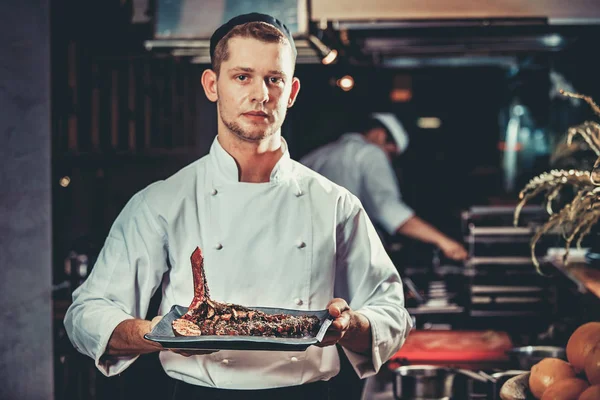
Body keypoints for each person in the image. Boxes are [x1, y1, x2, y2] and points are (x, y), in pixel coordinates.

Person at [64, 12, 412, 400]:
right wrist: (158, 334)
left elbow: (393, 314)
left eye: (274, 79)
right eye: (242, 76)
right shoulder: (162, 201)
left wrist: (352, 326)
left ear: (292, 92)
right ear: (213, 84)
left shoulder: (335, 203)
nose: (260, 94)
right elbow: (86, 316)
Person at [301, 113, 468, 261]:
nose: (388, 160)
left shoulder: (315, 157)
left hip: (307, 256)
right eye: (391, 153)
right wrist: (444, 242)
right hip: (346, 258)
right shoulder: (370, 153)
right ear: (380, 135)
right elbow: (387, 208)